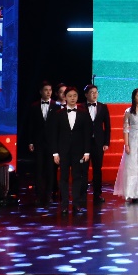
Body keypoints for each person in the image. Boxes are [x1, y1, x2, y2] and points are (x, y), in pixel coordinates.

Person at [48, 86, 91, 214]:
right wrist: (55, 153)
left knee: (77, 177)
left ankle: (76, 204)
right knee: (64, 178)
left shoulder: (84, 113)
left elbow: (87, 134)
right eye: (70, 96)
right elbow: (54, 135)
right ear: (65, 97)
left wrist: (87, 151)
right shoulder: (59, 114)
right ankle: (65, 205)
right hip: (63, 151)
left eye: (75, 96)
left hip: (79, 152)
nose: (72, 98)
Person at [28, 81, 59, 207]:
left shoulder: (56, 106)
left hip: (52, 143)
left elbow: (59, 126)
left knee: (50, 169)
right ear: (41, 91)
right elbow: (31, 125)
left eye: (50, 90)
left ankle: (49, 195)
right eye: (46, 90)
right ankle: (39, 195)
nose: (48, 92)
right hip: (39, 142)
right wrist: (31, 141)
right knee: (39, 169)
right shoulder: (34, 106)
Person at [84, 83, 112, 204]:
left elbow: (107, 126)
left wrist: (106, 142)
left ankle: (97, 194)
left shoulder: (103, 107)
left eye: (96, 92)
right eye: (92, 93)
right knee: (83, 169)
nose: (94, 95)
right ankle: (81, 194)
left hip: (98, 143)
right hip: (84, 143)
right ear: (86, 95)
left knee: (97, 169)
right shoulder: (81, 107)